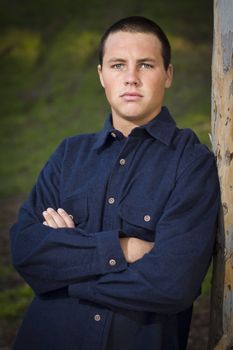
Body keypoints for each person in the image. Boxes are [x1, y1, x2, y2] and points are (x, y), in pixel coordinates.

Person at [10, 16, 219, 350]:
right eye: (118, 65)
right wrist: (124, 249)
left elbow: (173, 282)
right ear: (101, 76)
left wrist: (66, 275)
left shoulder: (191, 162)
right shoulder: (69, 154)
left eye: (146, 65)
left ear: (168, 75)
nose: (131, 78)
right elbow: (26, 249)